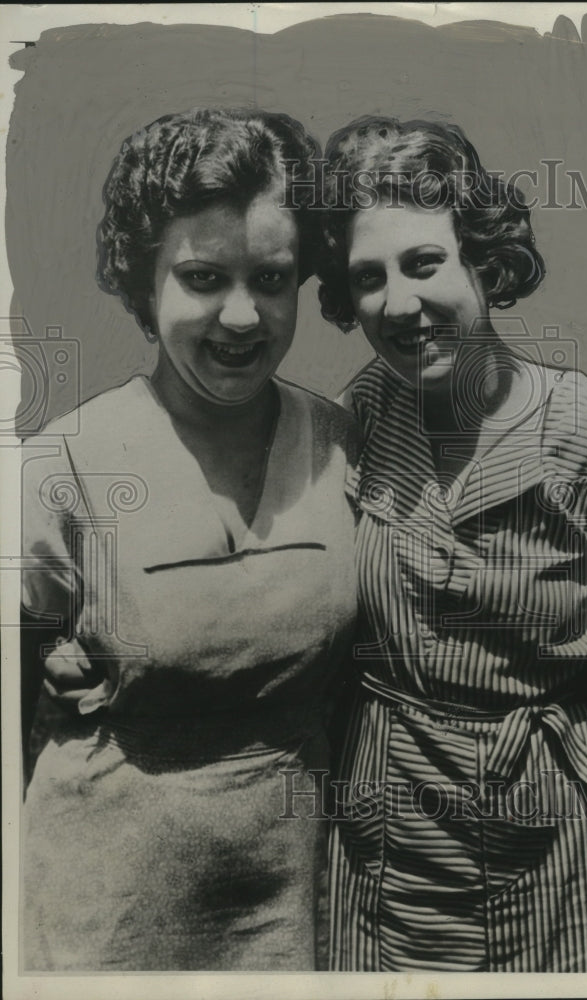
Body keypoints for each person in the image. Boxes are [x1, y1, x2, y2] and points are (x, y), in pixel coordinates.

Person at [315, 116, 587, 973]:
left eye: (423, 263)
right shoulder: (360, 418)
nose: (398, 304)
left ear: (483, 261)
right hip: (390, 822)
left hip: (562, 828)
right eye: (367, 278)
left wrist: (569, 702)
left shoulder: (584, 433)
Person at [20, 107, 358, 971]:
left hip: (288, 911)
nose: (242, 317)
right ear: (145, 282)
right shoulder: (68, 462)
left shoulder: (345, 444)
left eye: (272, 280)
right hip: (101, 920)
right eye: (203, 278)